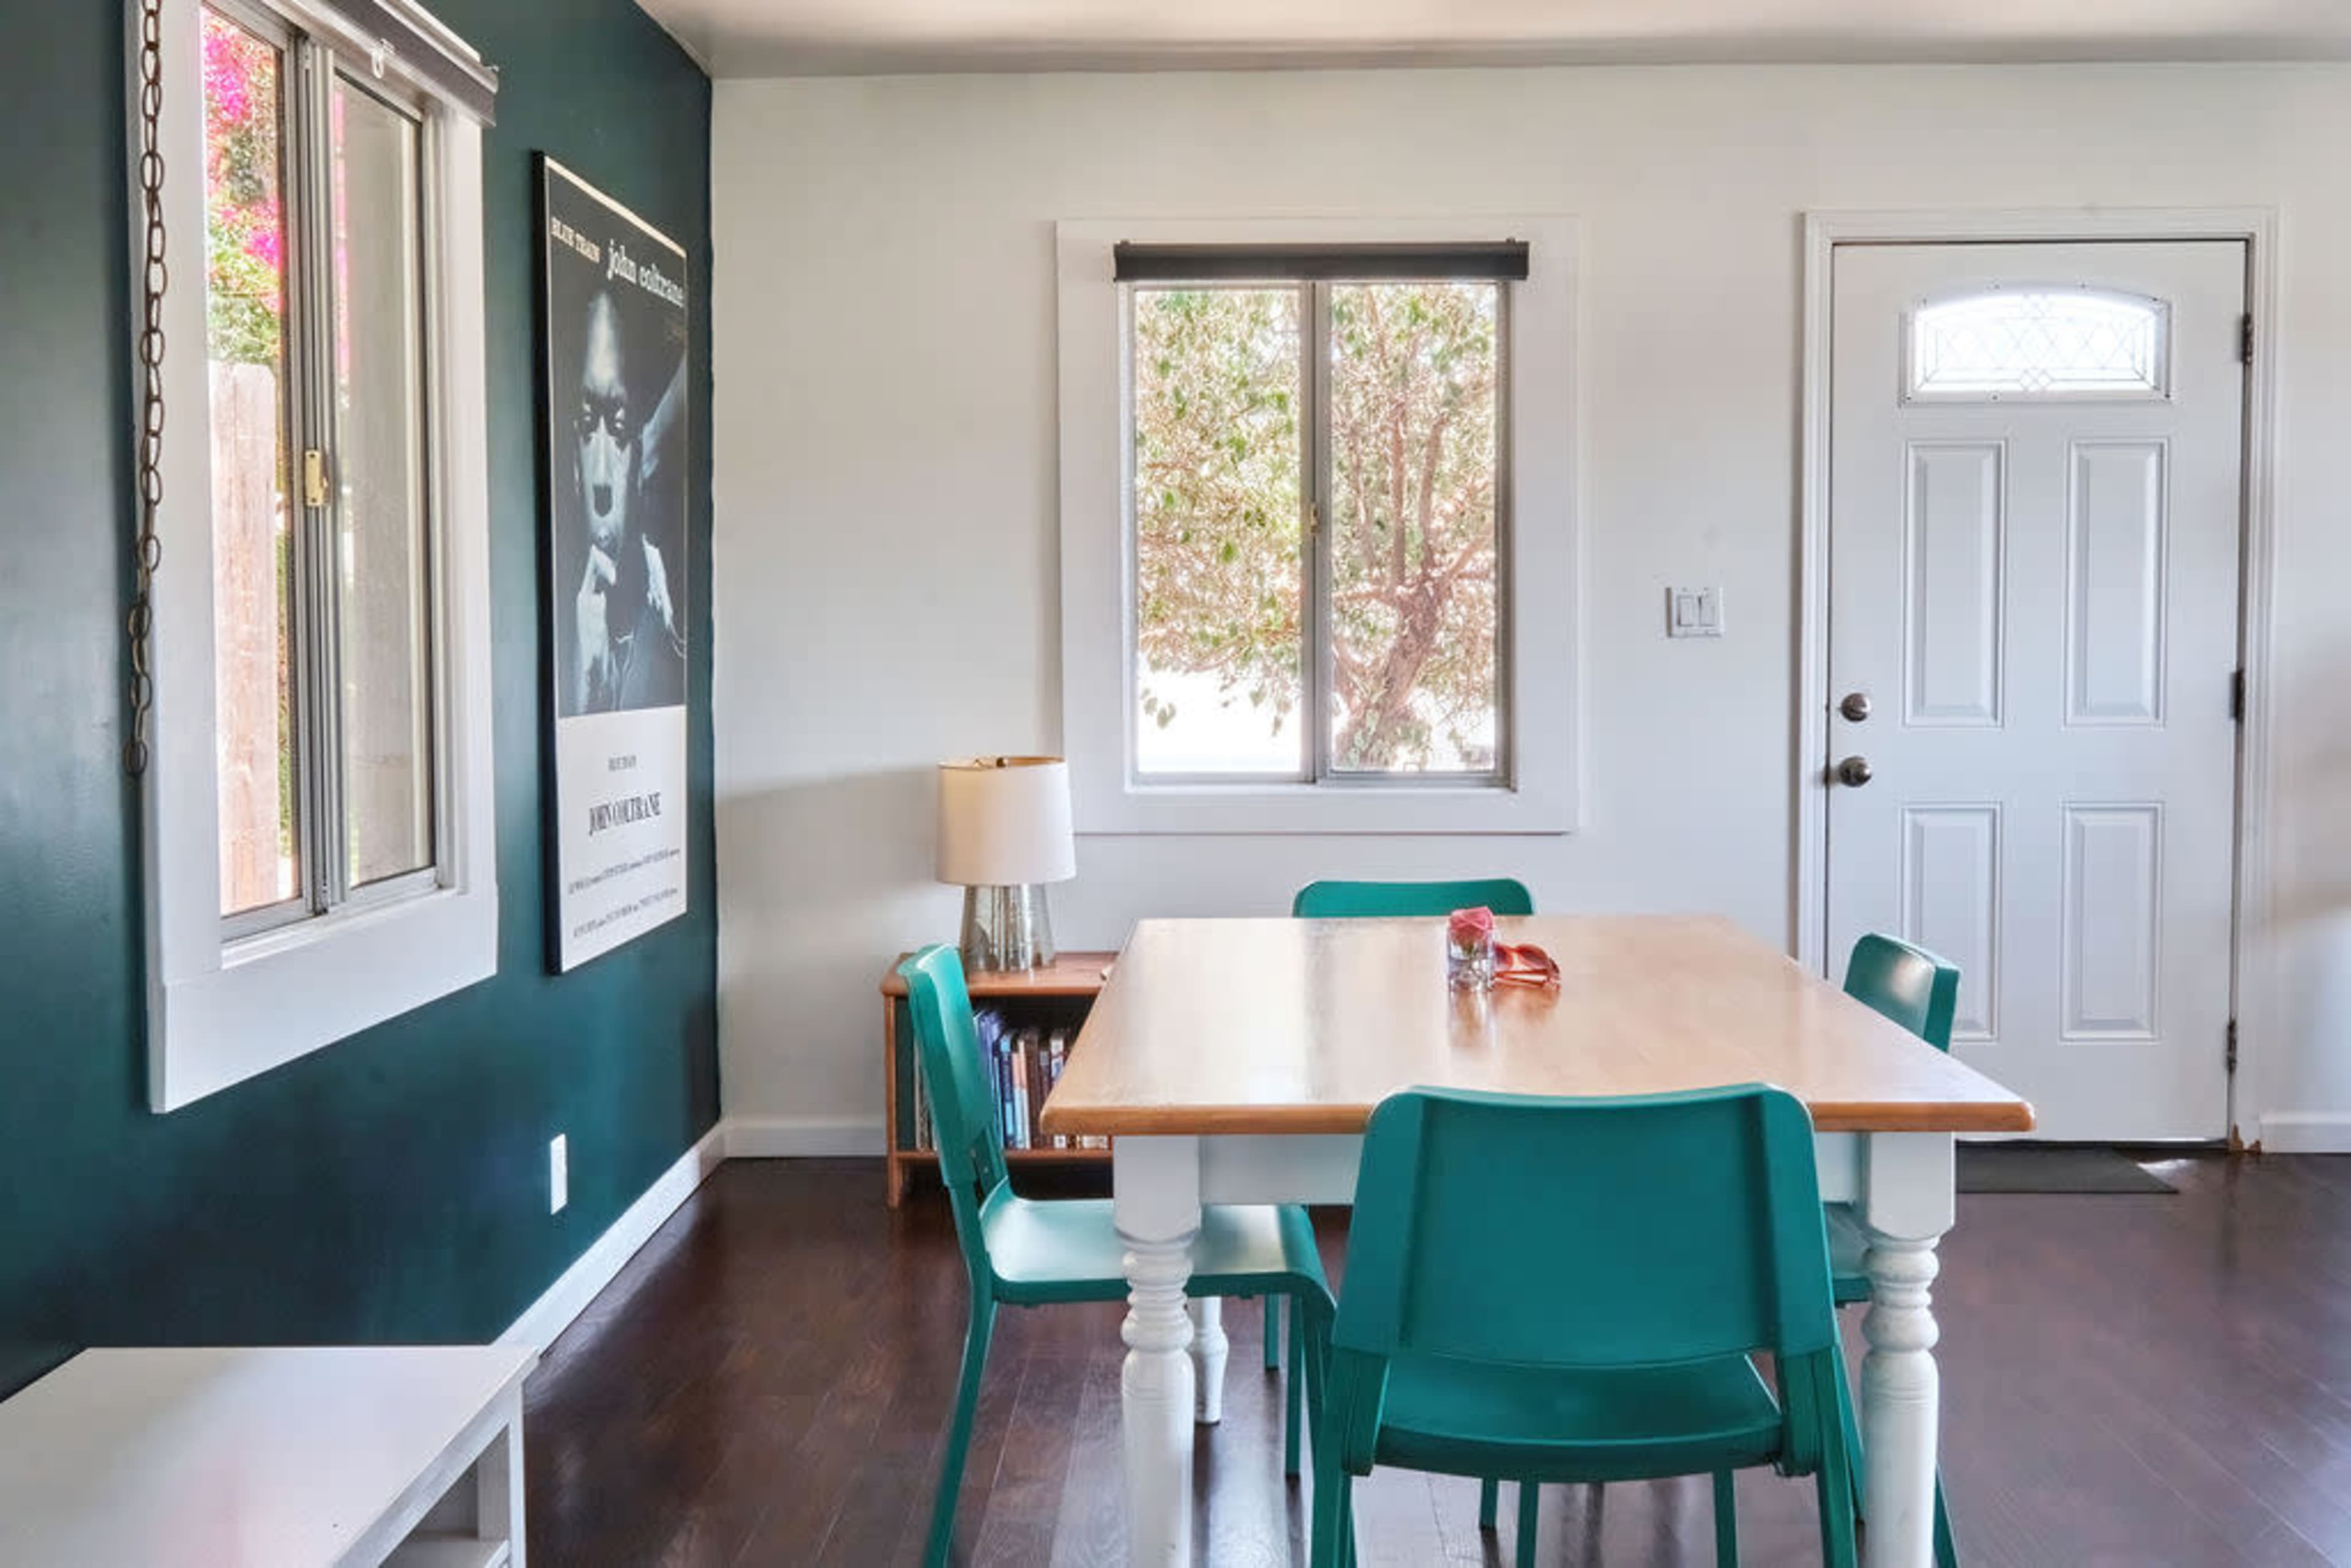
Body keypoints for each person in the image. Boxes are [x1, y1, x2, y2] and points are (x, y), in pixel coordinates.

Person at [565, 287, 685, 715]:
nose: (600, 478)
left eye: (617, 429)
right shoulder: (568, 643)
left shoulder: (670, 631)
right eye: (585, 425)